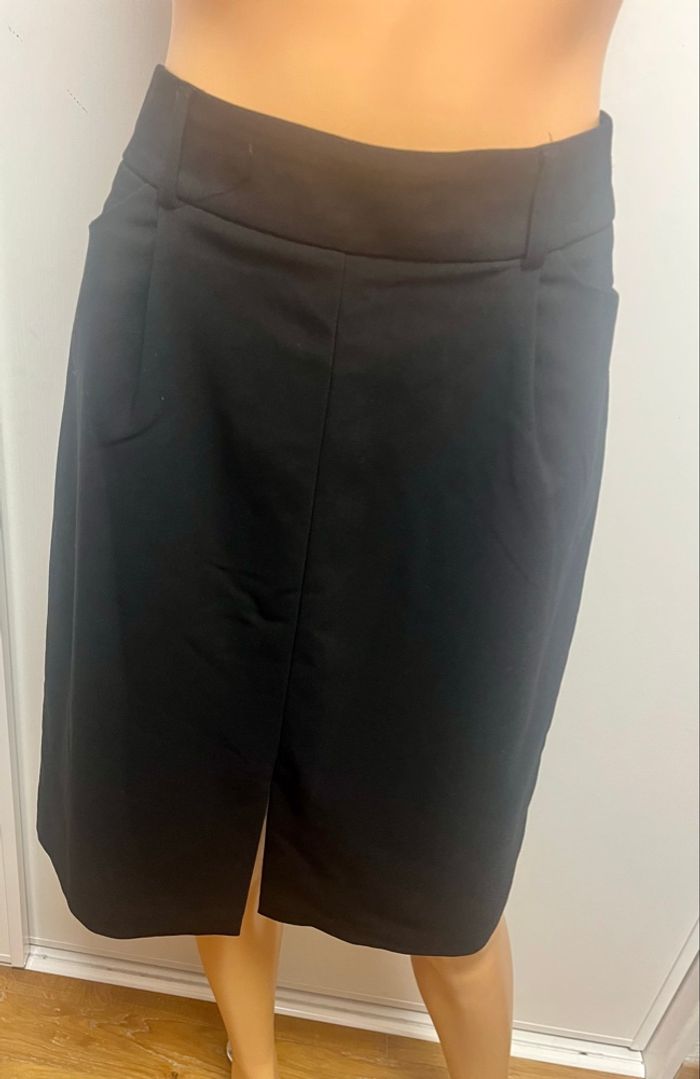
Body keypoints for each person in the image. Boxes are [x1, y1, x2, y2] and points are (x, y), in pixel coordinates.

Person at [36, 3, 625, 1078]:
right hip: (203, 241)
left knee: (450, 836)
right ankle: (253, 1063)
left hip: (508, 283)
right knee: (200, 770)